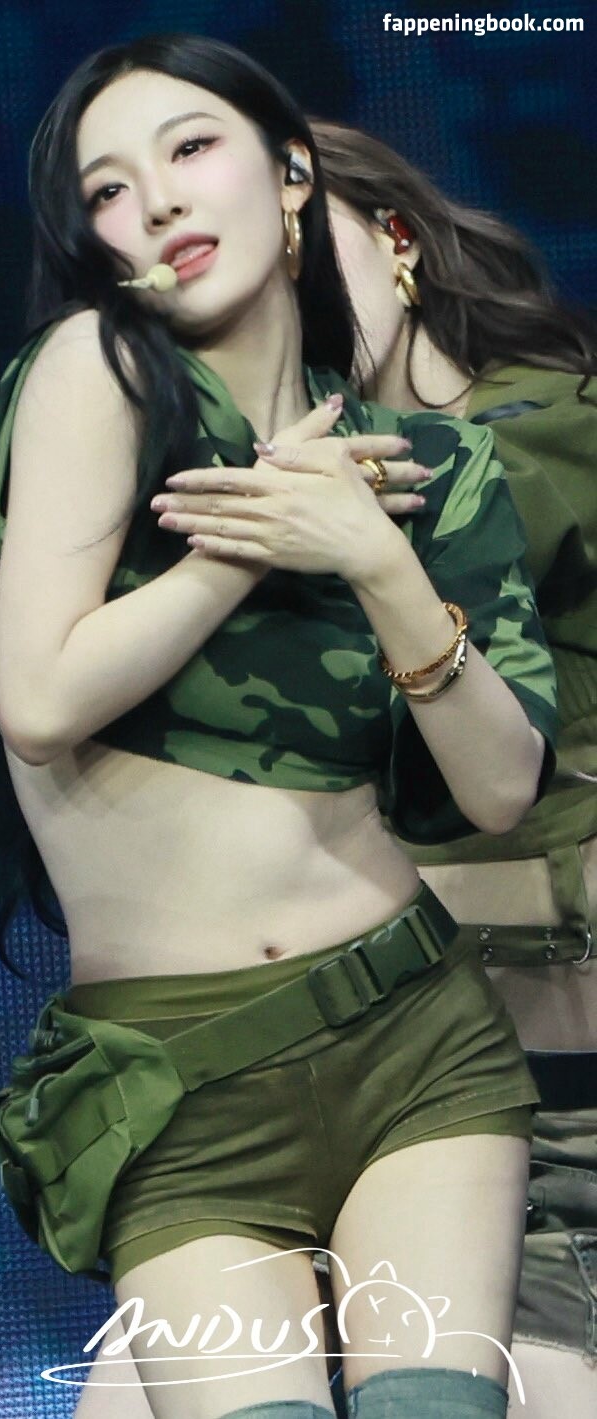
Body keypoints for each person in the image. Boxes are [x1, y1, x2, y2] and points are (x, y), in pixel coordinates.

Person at [0, 36, 558, 1419]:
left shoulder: (425, 467)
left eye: (190, 148)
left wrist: (376, 557)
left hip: (417, 1039)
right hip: (181, 1078)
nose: (153, 200)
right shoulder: (98, 369)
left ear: (290, 177)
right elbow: (38, 703)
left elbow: (501, 787)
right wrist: (251, 542)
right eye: (106, 189)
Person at [310, 118, 597, 1417]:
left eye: (298, 256)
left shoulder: (553, 427)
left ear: (398, 241)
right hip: (391, 1114)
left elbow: (481, 499)